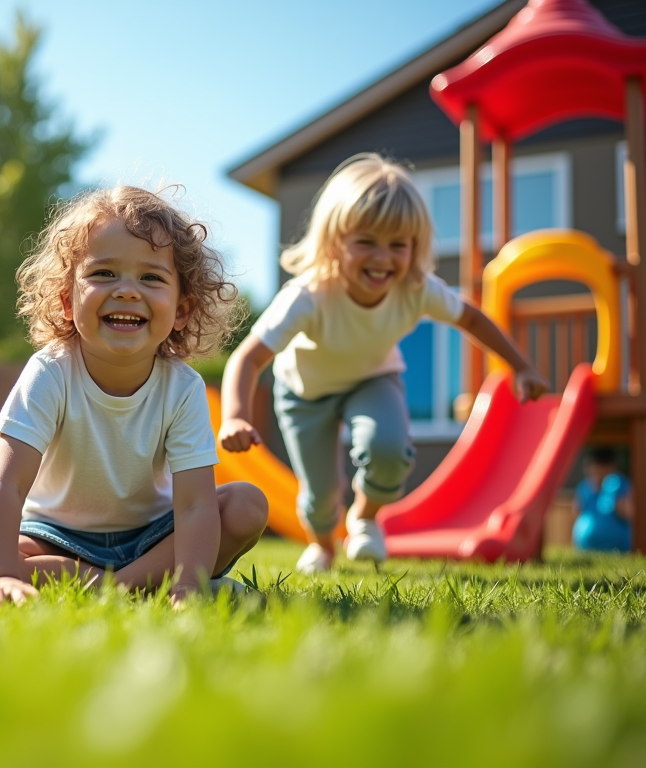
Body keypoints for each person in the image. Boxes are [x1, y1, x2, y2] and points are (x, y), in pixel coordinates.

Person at [219, 153, 549, 573]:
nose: (382, 258)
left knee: (388, 449)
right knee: (321, 493)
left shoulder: (416, 289)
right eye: (366, 242)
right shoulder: (309, 296)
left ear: (415, 248)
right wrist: (235, 415)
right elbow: (248, 357)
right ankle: (322, 546)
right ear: (334, 241)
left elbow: (470, 317)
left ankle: (366, 517)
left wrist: (519, 365)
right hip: (305, 392)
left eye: (398, 245)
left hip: (373, 380)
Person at [0, 186, 268, 606]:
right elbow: (7, 485)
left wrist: (189, 586)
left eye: (151, 277)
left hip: (154, 535)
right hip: (57, 538)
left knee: (246, 504)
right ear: (67, 300)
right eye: (103, 274)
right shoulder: (51, 372)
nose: (126, 290)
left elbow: (195, 506)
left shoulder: (182, 387)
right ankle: (142, 588)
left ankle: (128, 587)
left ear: (181, 311)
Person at [572, 447, 633, 552]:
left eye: (602, 467)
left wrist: (614, 497)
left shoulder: (619, 484)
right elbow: (576, 512)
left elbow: (627, 513)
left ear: (612, 467)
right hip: (586, 548)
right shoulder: (585, 486)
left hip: (616, 549)